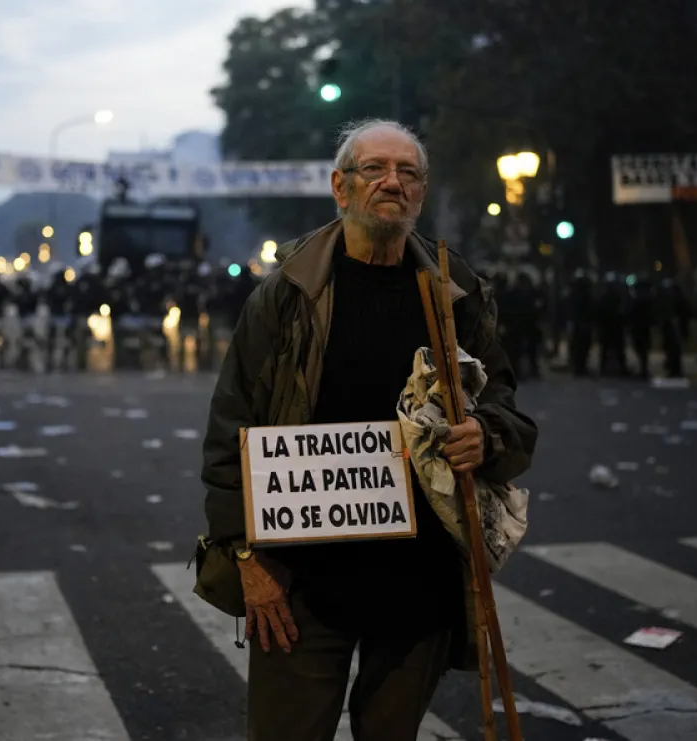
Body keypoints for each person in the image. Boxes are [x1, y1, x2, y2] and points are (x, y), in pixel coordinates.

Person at [198, 119, 537, 740]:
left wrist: (485, 436)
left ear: (422, 193)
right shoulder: (287, 294)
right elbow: (230, 434)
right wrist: (247, 558)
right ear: (341, 186)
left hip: (419, 579)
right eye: (374, 170)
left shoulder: (452, 288)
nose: (392, 183)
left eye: (408, 173)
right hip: (302, 582)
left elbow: (507, 403)